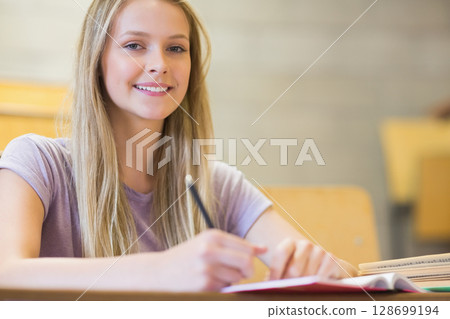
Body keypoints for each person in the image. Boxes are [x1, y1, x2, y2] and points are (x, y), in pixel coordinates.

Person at [0, 0, 355, 292]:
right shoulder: (37, 163)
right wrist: (161, 271)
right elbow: (6, 273)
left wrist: (322, 268)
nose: (159, 65)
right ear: (97, 60)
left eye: (175, 48)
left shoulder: (218, 185)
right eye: (135, 45)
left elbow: (339, 271)